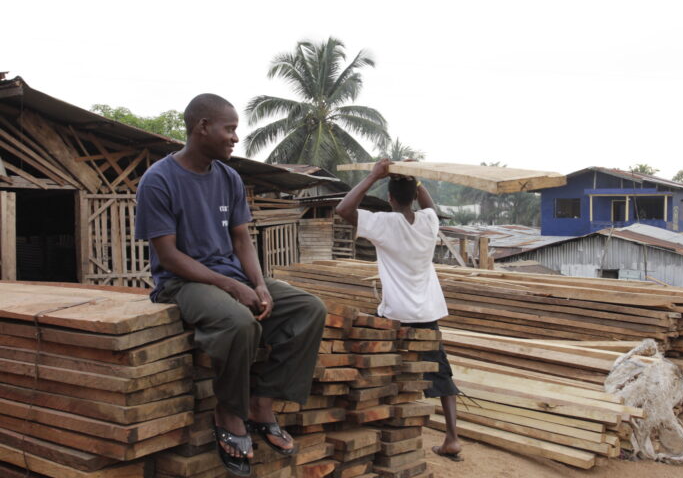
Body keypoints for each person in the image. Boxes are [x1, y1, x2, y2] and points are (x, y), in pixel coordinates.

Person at [135, 93, 326, 476]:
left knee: (309, 308)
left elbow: (242, 240)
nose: (235, 138)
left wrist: (260, 285)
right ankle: (229, 411)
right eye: (230, 128)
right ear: (202, 127)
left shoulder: (229, 177)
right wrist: (230, 286)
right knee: (239, 321)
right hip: (180, 282)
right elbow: (169, 256)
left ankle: (262, 402)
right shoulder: (159, 180)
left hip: (230, 277)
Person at [335, 158, 463, 462]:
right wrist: (415, 178)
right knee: (442, 375)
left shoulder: (384, 223)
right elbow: (427, 203)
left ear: (389, 198)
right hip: (426, 314)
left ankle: (373, 427)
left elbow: (342, 210)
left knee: (379, 371)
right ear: (413, 194)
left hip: (394, 316)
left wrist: (372, 176)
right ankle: (453, 438)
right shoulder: (429, 223)